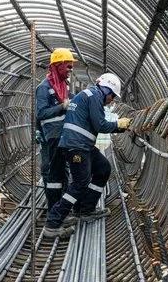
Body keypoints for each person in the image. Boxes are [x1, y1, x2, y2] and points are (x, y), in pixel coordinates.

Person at [43, 73, 131, 238]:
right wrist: (119, 125)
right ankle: (53, 222)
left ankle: (86, 209)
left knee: (103, 168)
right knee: (80, 183)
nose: (112, 99)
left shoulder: (89, 95)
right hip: (77, 147)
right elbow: (100, 124)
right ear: (106, 90)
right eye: (112, 95)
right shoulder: (94, 97)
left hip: (83, 146)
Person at [35, 48, 76, 215]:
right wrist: (62, 107)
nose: (70, 71)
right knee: (52, 172)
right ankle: (54, 209)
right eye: (68, 67)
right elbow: (41, 113)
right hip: (51, 136)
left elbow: (75, 100)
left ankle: (60, 207)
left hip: (62, 135)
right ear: (59, 66)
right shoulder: (44, 88)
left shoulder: (63, 87)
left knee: (62, 171)